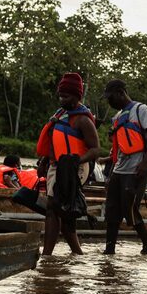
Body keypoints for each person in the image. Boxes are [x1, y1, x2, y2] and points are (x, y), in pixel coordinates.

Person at [36, 73, 103, 255]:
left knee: (55, 207)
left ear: (77, 97)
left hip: (76, 168)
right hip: (56, 165)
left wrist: (76, 161)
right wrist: (43, 162)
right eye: (60, 96)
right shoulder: (60, 115)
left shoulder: (83, 119)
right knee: (56, 210)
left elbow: (96, 150)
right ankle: (62, 255)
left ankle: (52, 254)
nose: (62, 100)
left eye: (66, 96)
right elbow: (52, 141)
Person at [103, 79, 147, 255]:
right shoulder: (118, 117)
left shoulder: (141, 110)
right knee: (111, 209)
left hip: (136, 168)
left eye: (111, 97)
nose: (109, 102)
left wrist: (145, 163)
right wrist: (109, 166)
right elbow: (119, 148)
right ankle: (109, 250)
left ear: (121, 92)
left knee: (129, 208)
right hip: (119, 169)